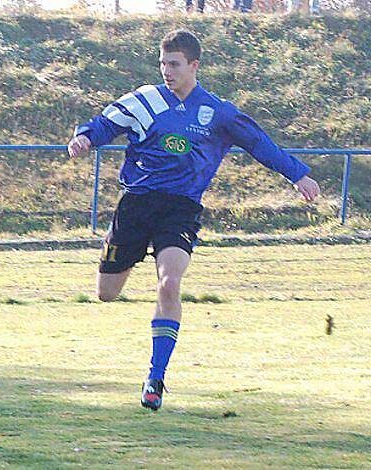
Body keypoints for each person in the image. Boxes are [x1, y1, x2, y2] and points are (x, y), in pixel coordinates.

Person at [67, 30, 319, 411]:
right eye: (163, 64)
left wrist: (298, 174)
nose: (167, 71)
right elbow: (102, 124)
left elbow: (260, 144)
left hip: (180, 210)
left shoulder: (217, 112)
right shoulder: (144, 99)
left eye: (175, 64)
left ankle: (156, 377)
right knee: (106, 293)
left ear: (193, 65)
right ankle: (125, 258)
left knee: (169, 283)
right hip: (135, 206)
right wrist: (85, 138)